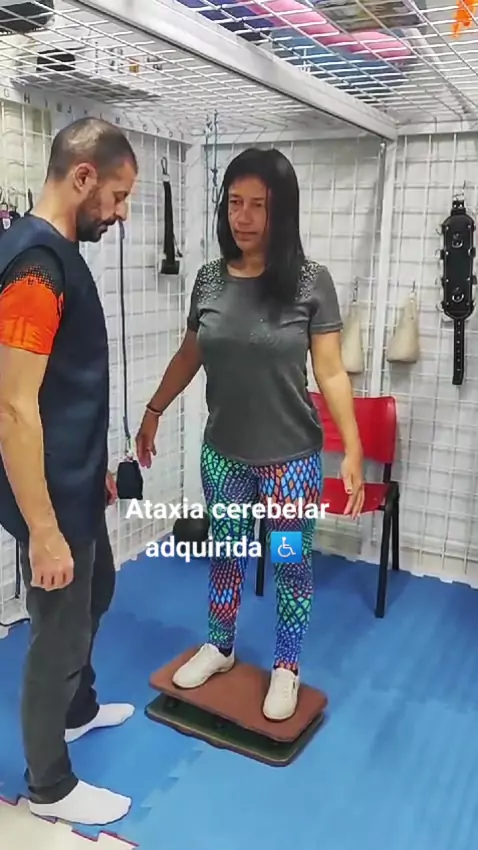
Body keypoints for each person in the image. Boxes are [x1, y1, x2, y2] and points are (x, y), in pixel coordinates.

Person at [136, 147, 364, 722]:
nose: (243, 217)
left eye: (257, 205)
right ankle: (220, 645)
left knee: (288, 562)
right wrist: (154, 409)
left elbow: (331, 371)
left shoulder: (310, 281)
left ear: (281, 210)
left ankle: (286, 665)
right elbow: (190, 353)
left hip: (289, 462)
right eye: (234, 203)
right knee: (228, 553)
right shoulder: (210, 279)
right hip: (224, 457)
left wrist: (353, 446)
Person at [0, 117, 137, 826]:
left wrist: (95, 468)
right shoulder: (36, 266)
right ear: (83, 177)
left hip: (77, 482)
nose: (120, 213)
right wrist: (44, 531)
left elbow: (64, 385)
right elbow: (13, 407)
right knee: (55, 634)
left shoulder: (55, 252)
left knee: (99, 589)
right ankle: (49, 784)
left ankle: (77, 709)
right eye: (117, 196)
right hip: (50, 498)